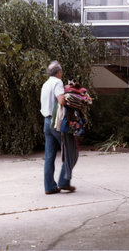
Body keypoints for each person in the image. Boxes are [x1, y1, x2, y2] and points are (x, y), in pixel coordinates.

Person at [40, 61, 76, 194]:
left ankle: (49, 187)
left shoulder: (46, 83)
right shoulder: (57, 82)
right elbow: (61, 100)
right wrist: (71, 98)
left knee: (49, 156)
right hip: (57, 123)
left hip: (46, 122)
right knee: (70, 151)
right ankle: (64, 182)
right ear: (59, 72)